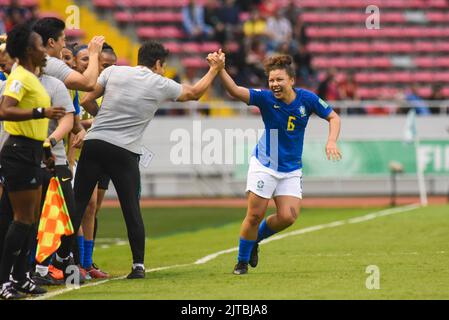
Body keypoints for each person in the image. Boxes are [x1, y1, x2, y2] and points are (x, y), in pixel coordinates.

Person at [72, 41, 224, 279]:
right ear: (158, 64)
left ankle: (65, 263)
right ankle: (138, 266)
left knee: (77, 205)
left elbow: (86, 101)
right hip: (124, 150)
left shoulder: (114, 71)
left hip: (95, 142)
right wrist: (214, 69)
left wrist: (105, 118)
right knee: (131, 208)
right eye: (163, 66)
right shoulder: (160, 83)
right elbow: (194, 93)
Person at [216, 54, 342, 275]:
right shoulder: (265, 98)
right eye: (271, 80)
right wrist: (220, 69)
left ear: (291, 80)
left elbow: (334, 117)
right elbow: (235, 91)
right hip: (265, 163)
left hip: (291, 168)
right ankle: (241, 262)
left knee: (288, 216)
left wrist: (331, 140)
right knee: (255, 215)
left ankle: (255, 240)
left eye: (279, 80)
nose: (274, 84)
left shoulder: (307, 99)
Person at [0, 23, 66, 299]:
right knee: (22, 219)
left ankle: (20, 276)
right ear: (29, 50)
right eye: (40, 45)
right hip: (19, 152)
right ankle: (5, 281)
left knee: (29, 220)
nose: (45, 50)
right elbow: (5, 110)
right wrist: (42, 111)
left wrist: (47, 153)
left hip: (32, 151)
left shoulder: (30, 76)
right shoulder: (20, 77)